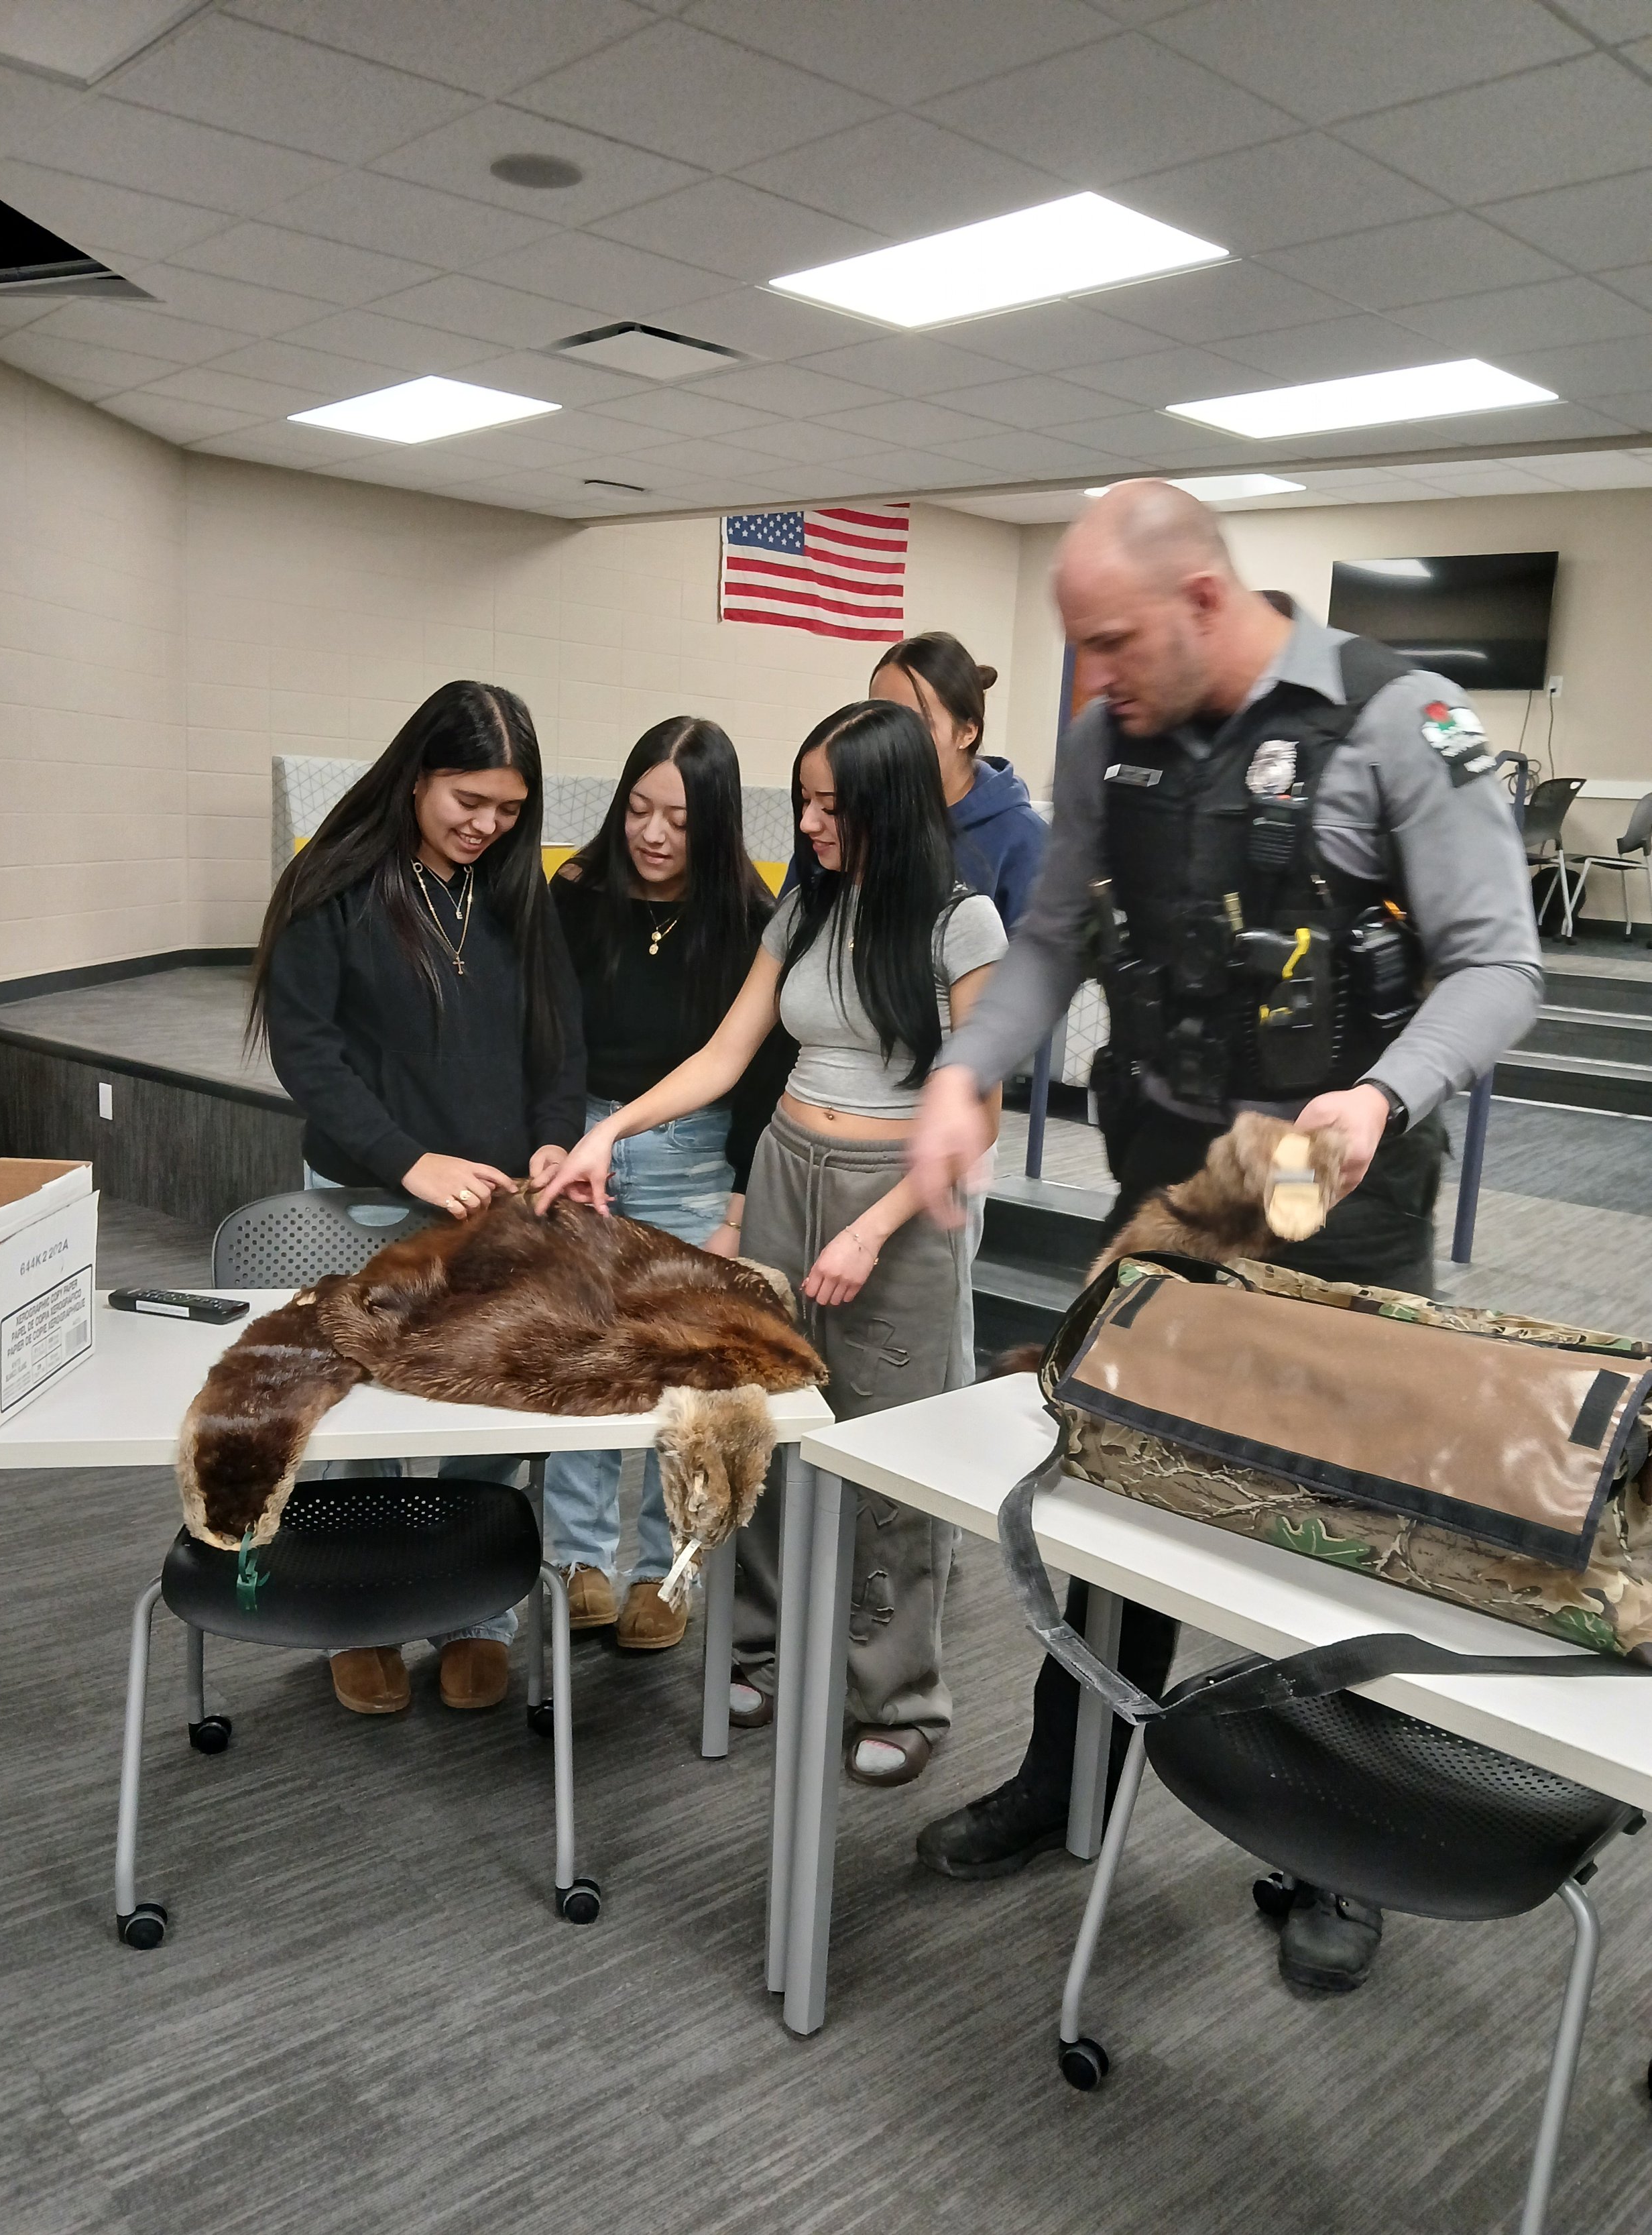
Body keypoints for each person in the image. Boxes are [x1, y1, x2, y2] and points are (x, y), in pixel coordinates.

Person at [906, 481, 1543, 1990]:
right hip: (1168, 1201)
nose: (1092, 679)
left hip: (1344, 1201)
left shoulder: (1401, 719)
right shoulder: (1110, 736)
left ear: (1203, 599)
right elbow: (1052, 936)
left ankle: (1333, 1842)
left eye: (1113, 642)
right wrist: (961, 1069)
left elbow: (1498, 961)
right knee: (1113, 1499)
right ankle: (1068, 1777)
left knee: (1336, 1529)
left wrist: (1383, 1094)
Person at [539, 700, 1008, 1785]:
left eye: (831, 804)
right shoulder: (804, 908)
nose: (808, 823)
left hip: (898, 1194)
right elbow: (725, 1053)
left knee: (889, 1453)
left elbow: (975, 1116)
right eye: (803, 800)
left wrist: (875, 1226)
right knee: (752, 1422)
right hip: (788, 1168)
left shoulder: (961, 926)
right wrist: (609, 1127)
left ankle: (897, 1691)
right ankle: (755, 1644)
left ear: (889, 804)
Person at [252, 679, 585, 1719]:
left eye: (509, 808)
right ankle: (359, 1610)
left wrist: (551, 1137)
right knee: (355, 1416)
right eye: (468, 800)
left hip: (496, 1207)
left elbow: (559, 1037)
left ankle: (476, 1612)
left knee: (495, 1401)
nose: (487, 826)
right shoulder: (332, 888)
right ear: (418, 776)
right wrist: (408, 1161)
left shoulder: (520, 891)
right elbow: (308, 1055)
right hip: (364, 1193)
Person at [545, 716, 794, 1650]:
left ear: (717, 822)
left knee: (680, 1377)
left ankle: (666, 1569)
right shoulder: (575, 892)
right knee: (585, 1361)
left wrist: (734, 1208)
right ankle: (577, 1558)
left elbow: (759, 1072)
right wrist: (558, 1141)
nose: (652, 834)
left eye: (678, 819)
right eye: (639, 809)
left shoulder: (752, 919)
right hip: (583, 1144)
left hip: (694, 1152)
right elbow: (553, 1036)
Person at [869, 632, 1047, 929]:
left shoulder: (1024, 840)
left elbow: (1036, 964)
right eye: (877, 720)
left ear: (967, 732)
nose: (890, 740)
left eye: (917, 724)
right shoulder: (850, 817)